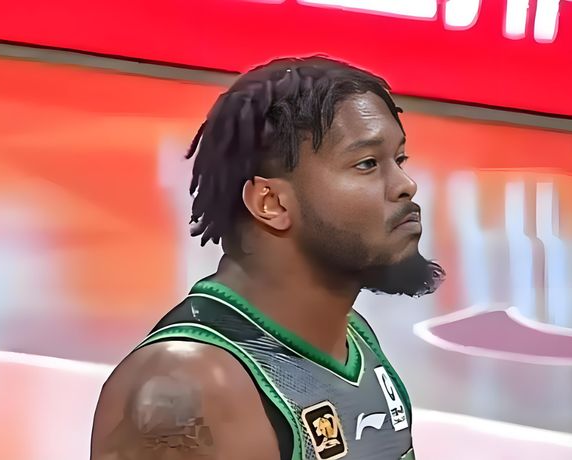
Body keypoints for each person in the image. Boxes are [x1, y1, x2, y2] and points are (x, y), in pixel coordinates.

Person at [91, 56, 445, 460]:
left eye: (399, 160)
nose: (406, 185)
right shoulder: (186, 391)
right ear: (271, 202)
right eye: (367, 164)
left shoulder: (352, 339)